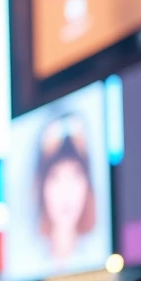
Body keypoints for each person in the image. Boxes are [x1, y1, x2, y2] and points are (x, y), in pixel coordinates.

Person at [36, 113, 96, 264]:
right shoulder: (28, 260)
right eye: (55, 177)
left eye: (74, 176)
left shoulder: (95, 255)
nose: (66, 192)